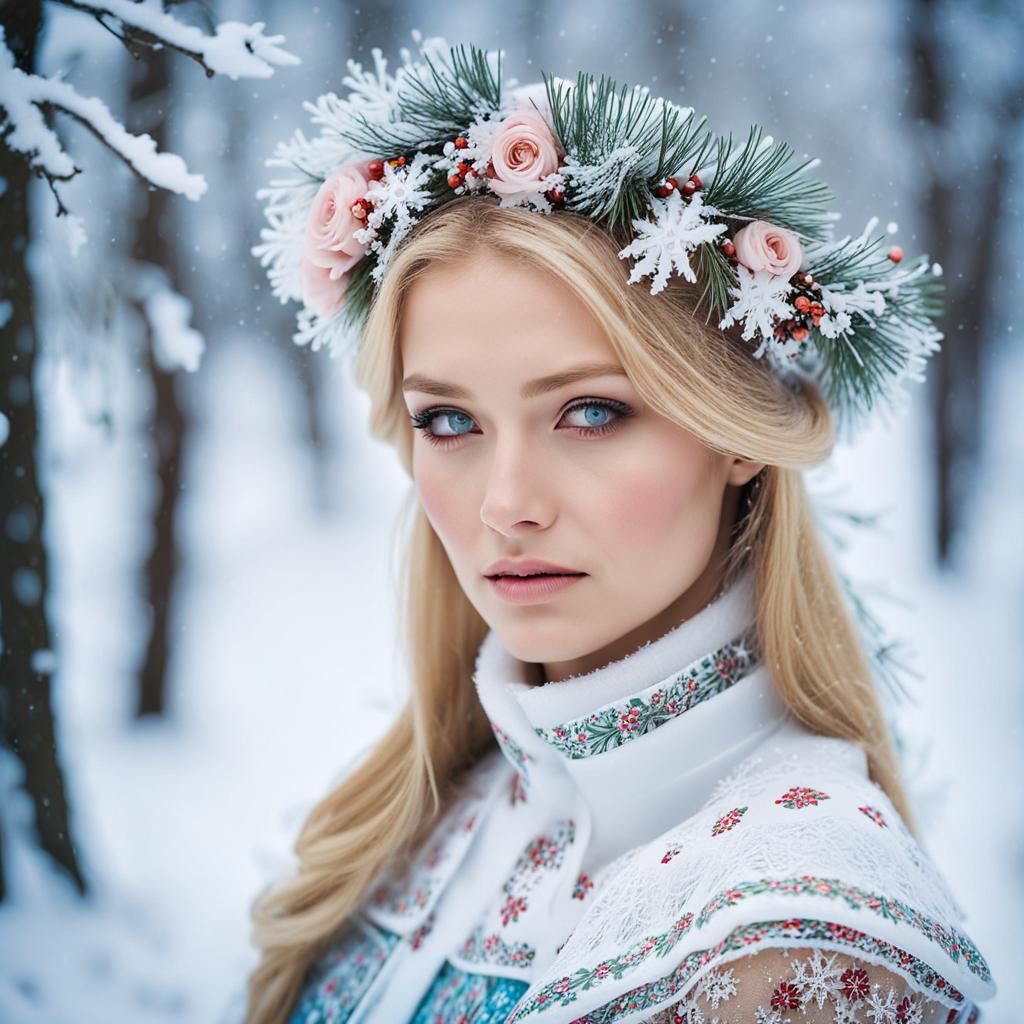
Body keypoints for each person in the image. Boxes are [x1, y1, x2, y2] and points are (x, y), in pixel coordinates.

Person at [242, 36, 994, 1024]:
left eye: (590, 412)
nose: (505, 502)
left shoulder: (797, 936)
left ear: (736, 436)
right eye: (450, 421)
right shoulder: (409, 818)